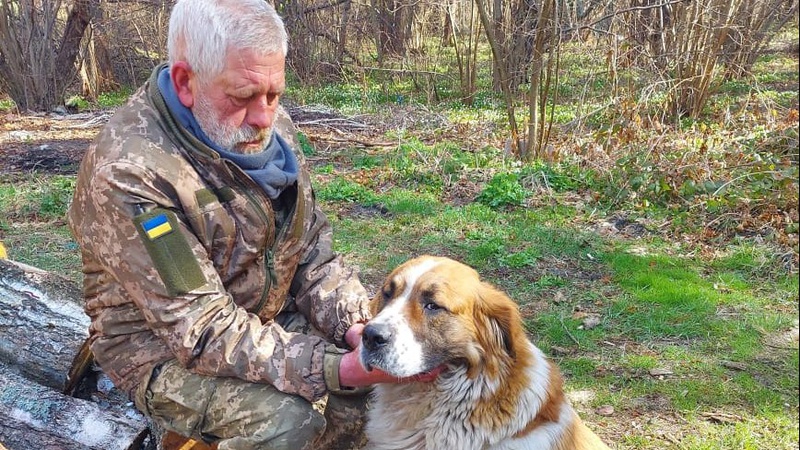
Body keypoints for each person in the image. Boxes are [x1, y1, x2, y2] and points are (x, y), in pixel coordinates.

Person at [67, 0, 439, 448]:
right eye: (242, 97)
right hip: (160, 349)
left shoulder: (265, 124)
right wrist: (331, 368)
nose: (264, 116)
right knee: (284, 421)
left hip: (262, 314)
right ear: (186, 82)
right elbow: (200, 328)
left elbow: (311, 253)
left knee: (367, 382)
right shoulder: (131, 173)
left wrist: (354, 324)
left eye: (274, 94)